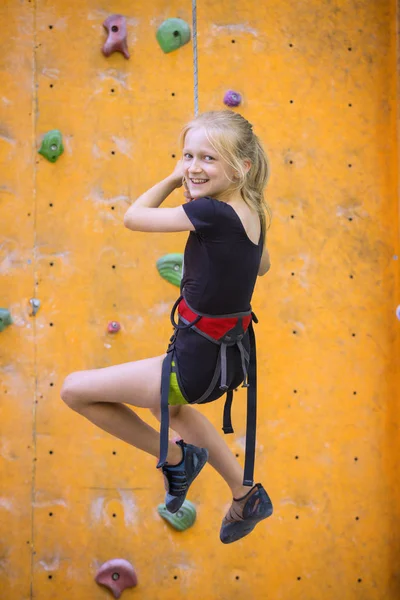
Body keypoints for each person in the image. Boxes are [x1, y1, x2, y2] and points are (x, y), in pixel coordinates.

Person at [61, 110, 273, 543]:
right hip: (226, 363)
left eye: (208, 159)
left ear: (242, 167)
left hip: (194, 365)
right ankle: (245, 492)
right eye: (187, 156)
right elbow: (262, 265)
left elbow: (134, 216)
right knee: (167, 409)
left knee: (74, 390)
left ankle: (176, 459)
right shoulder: (252, 210)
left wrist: (174, 179)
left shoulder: (212, 213)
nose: (194, 166)